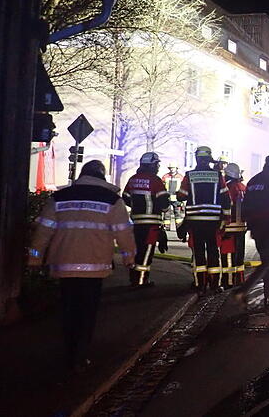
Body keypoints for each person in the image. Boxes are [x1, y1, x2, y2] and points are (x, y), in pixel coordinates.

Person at [27, 160, 136, 372]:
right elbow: (123, 232)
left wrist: (34, 258)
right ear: (102, 177)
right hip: (95, 268)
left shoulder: (59, 197)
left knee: (68, 310)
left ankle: (69, 352)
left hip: (64, 265)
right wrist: (129, 258)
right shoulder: (113, 200)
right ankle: (80, 355)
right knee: (87, 312)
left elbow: (42, 232)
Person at [177, 146, 230, 293]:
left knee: (198, 253)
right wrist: (226, 219)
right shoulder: (218, 176)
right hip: (213, 221)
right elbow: (226, 198)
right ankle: (214, 285)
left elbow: (181, 195)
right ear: (208, 159)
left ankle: (200, 285)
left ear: (197, 159)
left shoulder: (189, 175)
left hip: (195, 221)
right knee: (213, 252)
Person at [238, 155, 269, 307]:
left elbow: (245, 204)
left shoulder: (253, 181)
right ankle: (243, 290)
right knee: (266, 261)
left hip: (256, 226)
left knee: (266, 260)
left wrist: (250, 224)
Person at [122, 152, 170, 287]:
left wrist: (137, 207)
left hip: (135, 223)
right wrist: (163, 210)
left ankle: (133, 279)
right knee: (146, 253)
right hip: (151, 225)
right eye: (157, 164)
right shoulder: (155, 181)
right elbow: (164, 203)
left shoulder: (133, 179)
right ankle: (141, 281)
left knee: (136, 251)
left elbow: (125, 197)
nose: (158, 167)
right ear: (152, 165)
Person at [222, 163, 247, 287]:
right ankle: (240, 279)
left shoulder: (228, 188)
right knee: (239, 255)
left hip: (229, 226)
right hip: (242, 227)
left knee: (228, 254)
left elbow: (225, 205)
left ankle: (229, 281)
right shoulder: (243, 187)